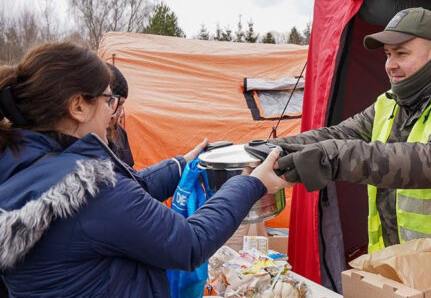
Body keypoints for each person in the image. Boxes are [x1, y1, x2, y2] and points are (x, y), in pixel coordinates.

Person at [0, 42, 290, 297]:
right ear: (78, 106)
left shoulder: (21, 168)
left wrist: (182, 164)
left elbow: (128, 195)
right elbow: (189, 243)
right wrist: (253, 183)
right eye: (108, 99)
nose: (112, 111)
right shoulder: (90, 189)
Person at [271, 8, 431, 258]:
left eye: (401, 54)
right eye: (388, 55)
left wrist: (334, 157)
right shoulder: (390, 103)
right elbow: (341, 134)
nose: (390, 65)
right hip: (401, 265)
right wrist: (271, 148)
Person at [105, 63, 134, 167]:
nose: (119, 112)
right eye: (114, 104)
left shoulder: (120, 134)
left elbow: (129, 171)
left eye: (121, 105)